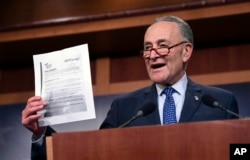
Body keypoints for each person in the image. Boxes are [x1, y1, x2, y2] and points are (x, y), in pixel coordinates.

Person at [22, 15, 239, 160]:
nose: (152, 55)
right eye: (147, 48)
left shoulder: (220, 102)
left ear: (186, 51)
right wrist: (41, 133)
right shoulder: (125, 108)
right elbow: (93, 155)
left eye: (162, 46)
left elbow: (239, 152)